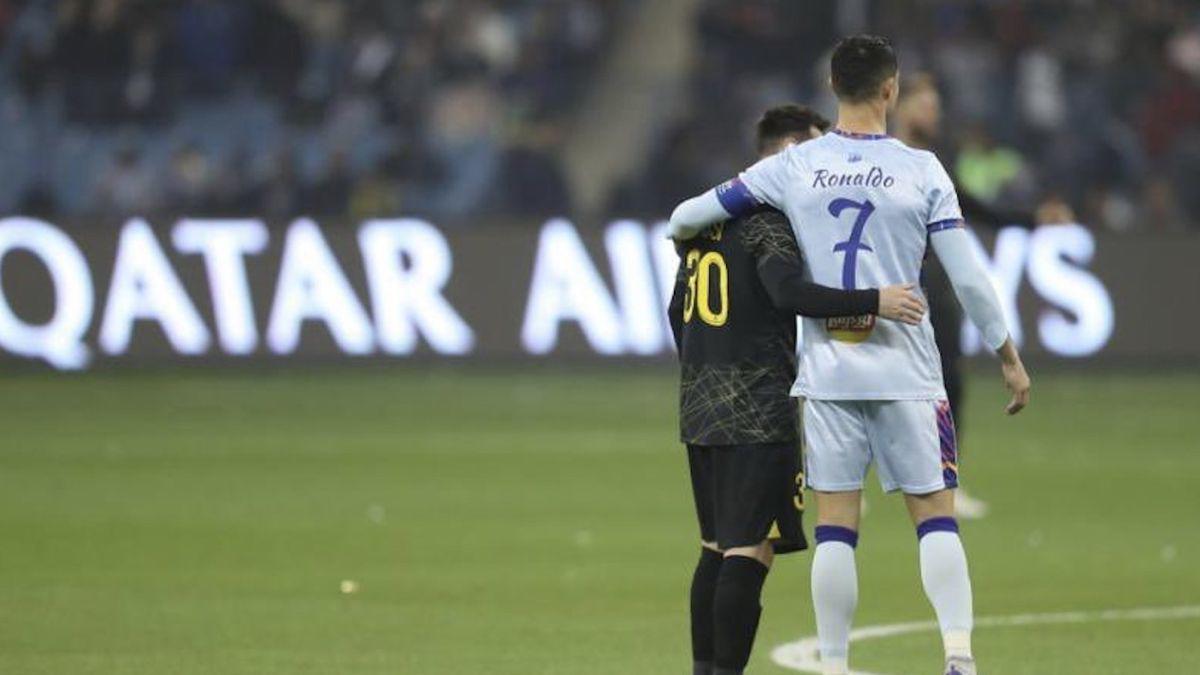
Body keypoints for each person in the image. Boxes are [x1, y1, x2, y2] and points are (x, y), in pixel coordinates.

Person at [668, 35, 1031, 675]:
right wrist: (1006, 352)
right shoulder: (922, 170)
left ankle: (834, 664)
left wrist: (681, 235)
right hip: (908, 373)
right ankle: (958, 655)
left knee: (836, 527)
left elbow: (688, 214)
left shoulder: (792, 168)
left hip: (829, 375)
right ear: (891, 89)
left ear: (832, 87)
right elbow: (969, 278)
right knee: (935, 518)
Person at [670, 104, 928, 675]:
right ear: (791, 152)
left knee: (715, 546)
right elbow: (787, 293)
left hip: (700, 405)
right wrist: (875, 300)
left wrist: (705, 368)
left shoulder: (705, 223)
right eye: (815, 149)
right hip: (757, 410)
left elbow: (675, 312)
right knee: (749, 549)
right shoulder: (770, 220)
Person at [895, 73, 1071, 520]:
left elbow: (974, 208)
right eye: (926, 105)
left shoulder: (932, 162)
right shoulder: (885, 158)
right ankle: (854, 480)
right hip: (889, 285)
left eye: (936, 107)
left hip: (930, 283)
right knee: (878, 381)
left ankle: (943, 479)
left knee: (946, 382)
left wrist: (1034, 219)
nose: (934, 114)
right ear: (898, 104)